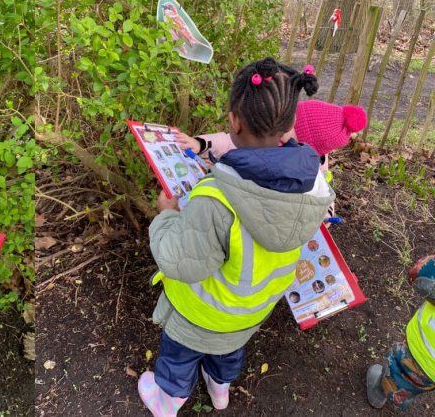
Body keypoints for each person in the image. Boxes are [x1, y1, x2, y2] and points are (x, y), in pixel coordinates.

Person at [138, 58, 335, 417]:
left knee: (179, 359)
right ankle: (220, 391)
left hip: (199, 313)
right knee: (227, 356)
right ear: (291, 126)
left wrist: (166, 215)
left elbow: (180, 261)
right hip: (251, 312)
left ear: (234, 120)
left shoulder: (217, 197)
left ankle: (167, 400)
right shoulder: (316, 186)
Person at [173, 75, 367, 222]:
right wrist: (199, 144)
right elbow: (226, 142)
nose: (281, 127)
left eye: (290, 127)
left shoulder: (317, 164)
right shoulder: (272, 140)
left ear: (309, 148)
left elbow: (324, 192)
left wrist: (326, 215)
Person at [366, 255, 435, 410]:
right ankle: (407, 395)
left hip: (422, 353)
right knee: (421, 383)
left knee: (399, 373)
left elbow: (424, 278)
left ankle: (379, 393)